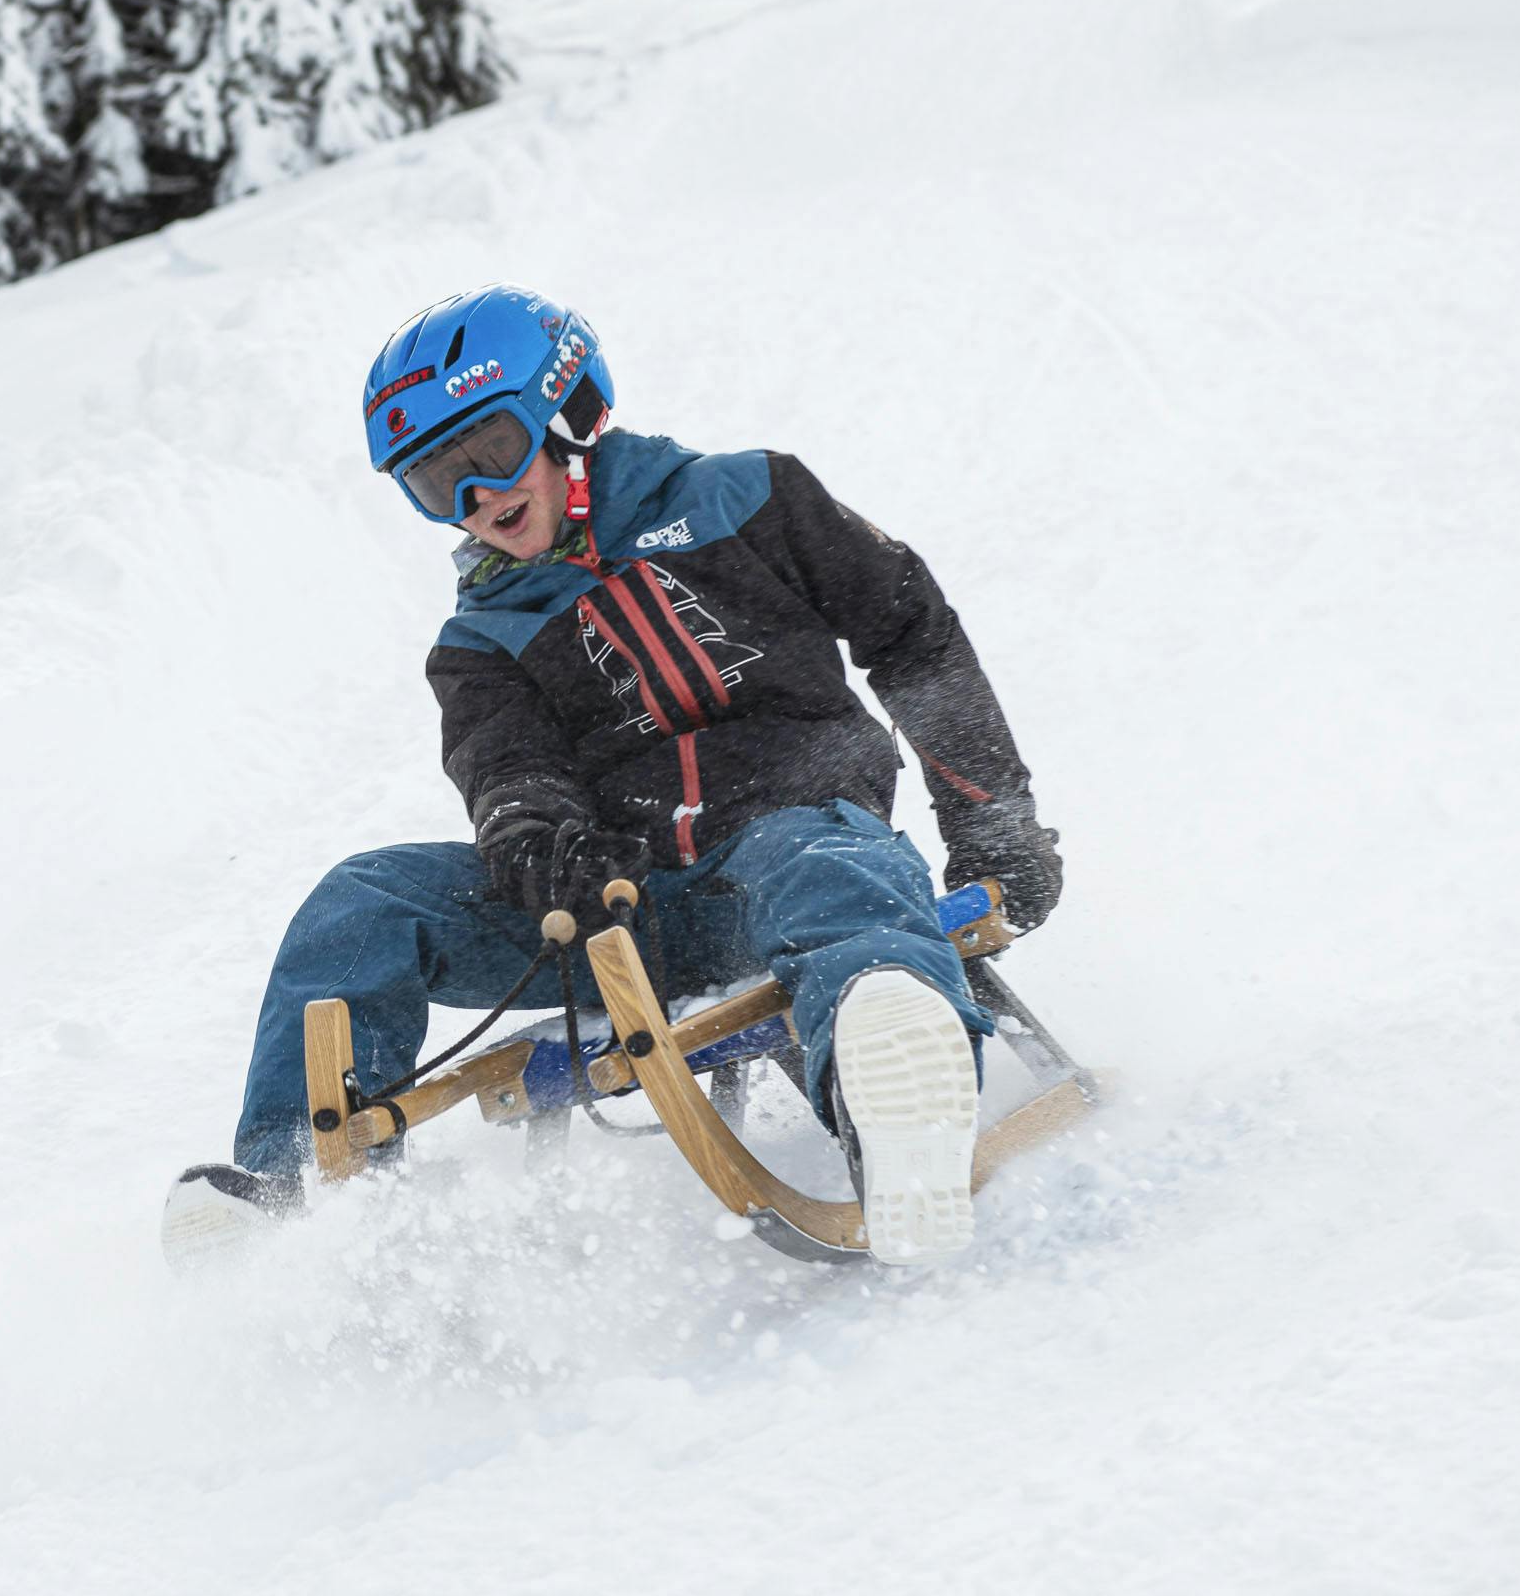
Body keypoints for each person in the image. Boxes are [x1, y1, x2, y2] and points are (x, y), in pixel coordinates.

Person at [166, 284, 1062, 1266]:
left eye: (489, 455)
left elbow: (910, 633)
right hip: (611, 907)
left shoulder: (750, 497)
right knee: (362, 898)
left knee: (819, 860)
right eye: (434, 484)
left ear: (570, 408)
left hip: (791, 854)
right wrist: (542, 842)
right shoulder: (482, 638)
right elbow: (505, 765)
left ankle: (891, 1093)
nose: (476, 502)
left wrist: (992, 817)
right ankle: (294, 1199)